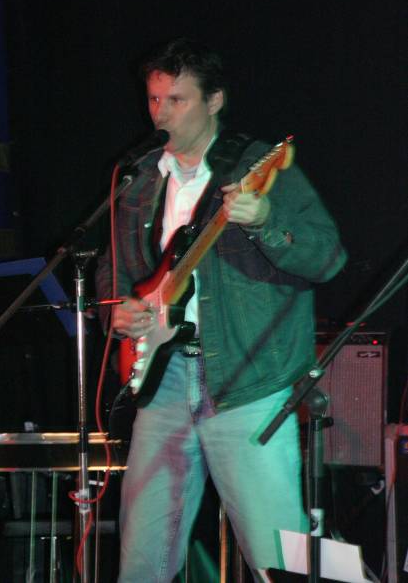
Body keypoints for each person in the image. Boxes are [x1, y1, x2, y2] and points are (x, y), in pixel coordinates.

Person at [95, 37, 347, 582]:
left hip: (247, 382)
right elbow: (112, 269)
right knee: (141, 561)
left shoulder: (257, 165)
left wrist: (265, 221)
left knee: (280, 560)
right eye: (154, 99)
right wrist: (119, 308)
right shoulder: (140, 176)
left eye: (177, 99)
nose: (161, 113)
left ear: (214, 101)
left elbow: (327, 258)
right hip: (162, 381)